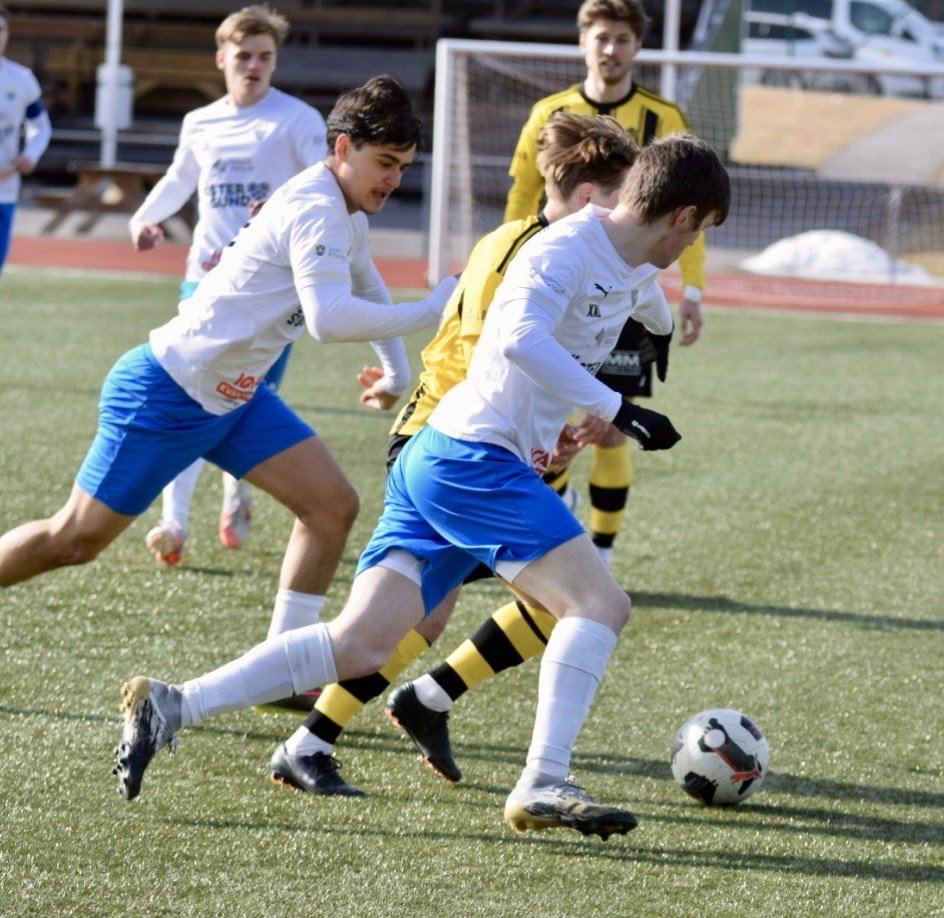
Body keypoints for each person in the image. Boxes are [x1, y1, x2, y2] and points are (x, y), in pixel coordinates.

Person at [113, 132, 731, 842]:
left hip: (450, 459)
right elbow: (519, 340)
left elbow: (641, 301)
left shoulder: (631, 261)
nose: (693, 247)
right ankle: (543, 779)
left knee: (361, 644)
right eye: (700, 231)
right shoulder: (561, 250)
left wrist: (659, 332)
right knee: (599, 605)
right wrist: (617, 407)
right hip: (473, 458)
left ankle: (173, 705)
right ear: (682, 216)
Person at [0, 70, 457, 686]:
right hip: (168, 391)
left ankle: (284, 673)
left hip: (235, 399)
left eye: (402, 167)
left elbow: (367, 284)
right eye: (385, 162)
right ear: (344, 147)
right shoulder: (317, 207)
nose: (394, 180)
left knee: (331, 507)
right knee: (74, 540)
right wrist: (432, 310)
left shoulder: (342, 207)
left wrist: (397, 372)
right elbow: (327, 319)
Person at [268, 111, 642, 797]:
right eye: (623, 199)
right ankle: (317, 733)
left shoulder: (547, 245)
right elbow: (489, 355)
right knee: (526, 604)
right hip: (454, 443)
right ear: (592, 194)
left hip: (491, 445)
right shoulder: (530, 249)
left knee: (554, 604)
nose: (627, 217)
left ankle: (414, 704)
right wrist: (538, 430)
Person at [506, 0, 705, 569]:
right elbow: (522, 196)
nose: (611, 49)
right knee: (548, 420)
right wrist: (505, 258)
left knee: (611, 427)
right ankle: (557, 515)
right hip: (561, 287)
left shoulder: (663, 116)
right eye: (602, 37)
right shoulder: (550, 113)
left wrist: (690, 290)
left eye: (622, 39)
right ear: (583, 42)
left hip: (624, 291)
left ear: (637, 46)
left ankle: (603, 551)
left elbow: (689, 217)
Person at [129, 4, 328, 566]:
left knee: (242, 402)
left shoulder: (298, 120)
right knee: (189, 397)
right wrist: (143, 218)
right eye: (244, 56)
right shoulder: (201, 122)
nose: (254, 66)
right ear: (222, 59)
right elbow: (180, 179)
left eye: (265, 56)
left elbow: (325, 186)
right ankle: (173, 522)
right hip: (204, 283)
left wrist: (284, 213)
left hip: (270, 293)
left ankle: (236, 492)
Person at [0, 2, 52, 274]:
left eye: (0, 29)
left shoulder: (21, 79)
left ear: (8, 33)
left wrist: (30, 155)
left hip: (4, 186)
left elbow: (41, 126)